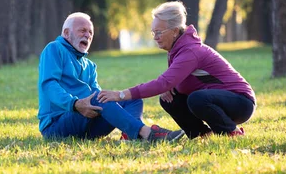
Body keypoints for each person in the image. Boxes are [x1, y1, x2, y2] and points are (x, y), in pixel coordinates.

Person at [98, 1, 256, 139]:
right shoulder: (177, 50)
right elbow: (173, 82)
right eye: (153, 32)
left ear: (174, 31)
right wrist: (170, 87)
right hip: (218, 100)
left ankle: (231, 132)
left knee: (196, 98)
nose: (155, 37)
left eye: (159, 32)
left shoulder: (190, 51)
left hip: (241, 103)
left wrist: (120, 95)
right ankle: (202, 134)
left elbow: (163, 83)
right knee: (169, 98)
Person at [38, 12, 185, 142]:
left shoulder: (89, 65)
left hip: (88, 126)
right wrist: (75, 104)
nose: (87, 35)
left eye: (90, 32)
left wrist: (112, 97)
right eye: (82, 31)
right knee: (97, 98)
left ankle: (131, 135)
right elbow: (49, 85)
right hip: (56, 126)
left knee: (130, 98)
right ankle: (147, 133)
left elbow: (99, 97)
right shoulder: (54, 49)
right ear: (66, 32)